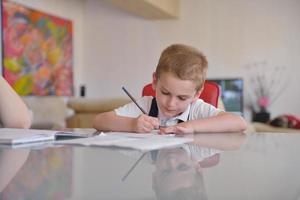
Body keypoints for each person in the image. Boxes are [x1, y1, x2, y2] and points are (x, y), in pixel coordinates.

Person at [93, 44, 247, 134]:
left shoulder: (196, 110)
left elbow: (239, 123)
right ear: (154, 81)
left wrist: (191, 126)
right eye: (165, 92)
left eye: (182, 98)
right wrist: (132, 125)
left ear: (196, 94)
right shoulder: (146, 105)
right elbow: (99, 121)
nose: (171, 104)